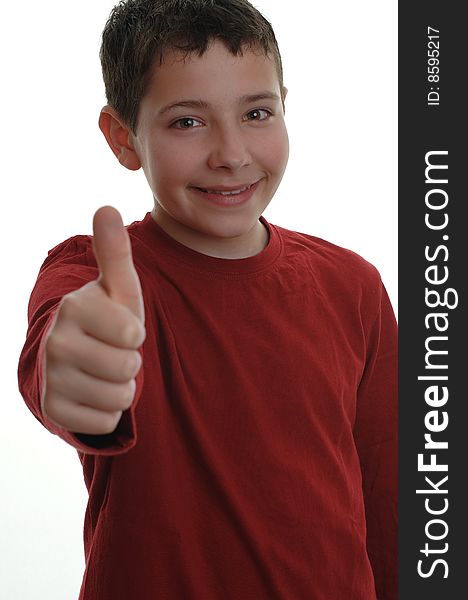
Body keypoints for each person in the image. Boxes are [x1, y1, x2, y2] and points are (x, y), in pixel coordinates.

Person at [17, 1, 397, 598]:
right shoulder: (94, 274)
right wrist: (75, 378)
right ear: (123, 137)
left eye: (256, 113)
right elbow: (58, 358)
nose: (231, 153)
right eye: (187, 122)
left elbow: (391, 501)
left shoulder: (354, 286)